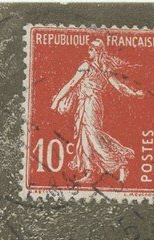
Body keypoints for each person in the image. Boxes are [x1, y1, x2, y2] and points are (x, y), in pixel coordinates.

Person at [51, 38, 144, 185]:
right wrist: (133, 93)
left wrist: (57, 100)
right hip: (86, 104)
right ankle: (90, 172)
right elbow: (119, 86)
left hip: (91, 103)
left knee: (93, 135)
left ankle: (120, 164)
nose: (88, 52)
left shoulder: (87, 66)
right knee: (84, 136)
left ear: (97, 51)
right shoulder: (102, 68)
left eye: (91, 49)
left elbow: (72, 83)